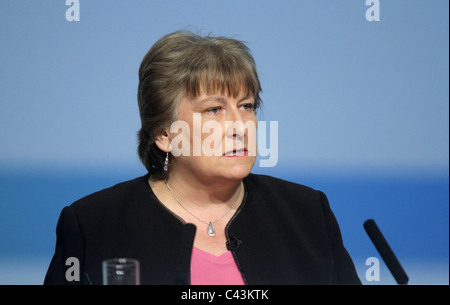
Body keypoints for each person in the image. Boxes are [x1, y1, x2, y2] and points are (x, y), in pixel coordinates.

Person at [44, 30, 361, 285]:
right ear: (165, 135)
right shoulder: (94, 224)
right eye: (214, 110)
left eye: (247, 106)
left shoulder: (306, 214)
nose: (240, 125)